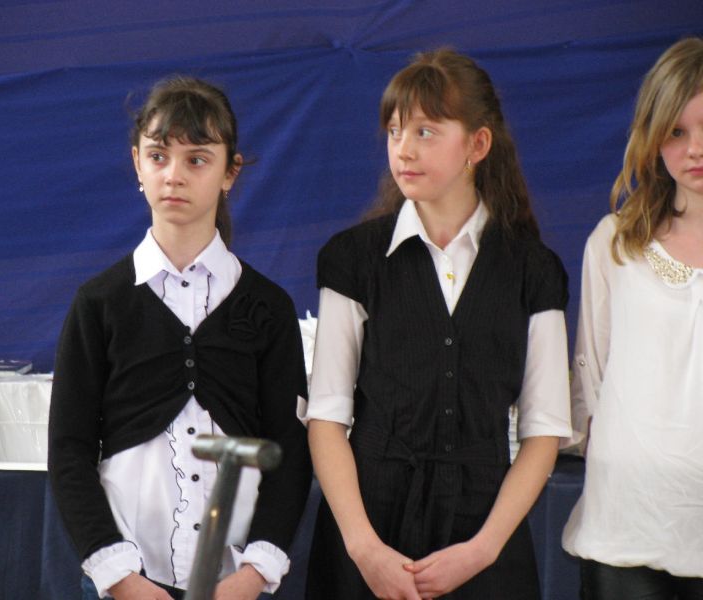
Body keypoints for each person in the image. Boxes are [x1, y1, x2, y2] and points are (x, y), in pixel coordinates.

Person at [301, 48, 572, 599]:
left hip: (484, 534)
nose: (403, 149)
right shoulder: (354, 259)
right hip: (368, 535)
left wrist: (483, 550)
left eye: (425, 131)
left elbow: (544, 430)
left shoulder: (533, 270)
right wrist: (365, 550)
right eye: (395, 131)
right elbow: (326, 418)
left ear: (478, 144)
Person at [48, 76, 312, 600]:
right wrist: (119, 576)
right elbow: (69, 451)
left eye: (197, 159)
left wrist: (255, 572)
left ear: (230, 172)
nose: (174, 175)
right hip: (125, 580)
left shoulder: (268, 307)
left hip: (234, 584)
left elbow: (289, 449)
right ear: (137, 164)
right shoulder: (99, 303)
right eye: (158, 156)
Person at [561, 37, 703, 599]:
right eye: (676, 131)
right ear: (652, 136)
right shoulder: (615, 244)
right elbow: (589, 377)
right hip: (626, 524)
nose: (695, 149)